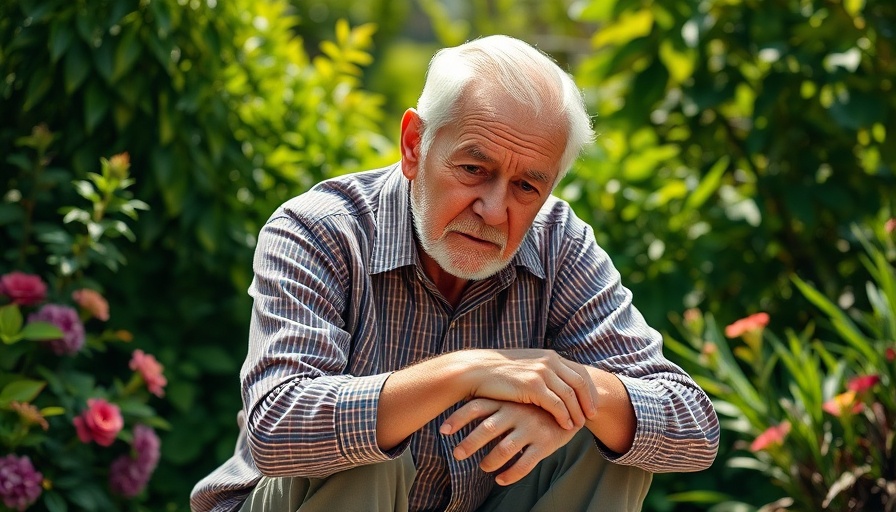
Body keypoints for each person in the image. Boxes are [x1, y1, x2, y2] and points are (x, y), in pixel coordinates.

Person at [190, 34, 719, 512]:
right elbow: (277, 427)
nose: (493, 209)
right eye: (473, 169)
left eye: (526, 187)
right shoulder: (319, 230)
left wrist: (575, 400)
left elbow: (694, 427)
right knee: (368, 446)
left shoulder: (559, 242)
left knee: (603, 432)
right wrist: (466, 372)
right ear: (414, 145)